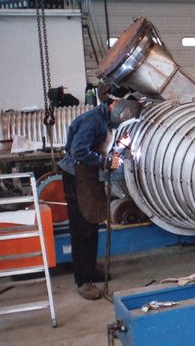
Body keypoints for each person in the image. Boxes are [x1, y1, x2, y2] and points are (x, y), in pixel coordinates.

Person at [58, 97, 142, 300]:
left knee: (92, 222)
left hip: (89, 175)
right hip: (76, 176)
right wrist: (105, 162)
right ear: (117, 109)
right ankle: (82, 280)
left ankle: (90, 269)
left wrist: (118, 150)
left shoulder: (105, 120)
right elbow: (79, 151)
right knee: (81, 229)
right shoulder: (93, 120)